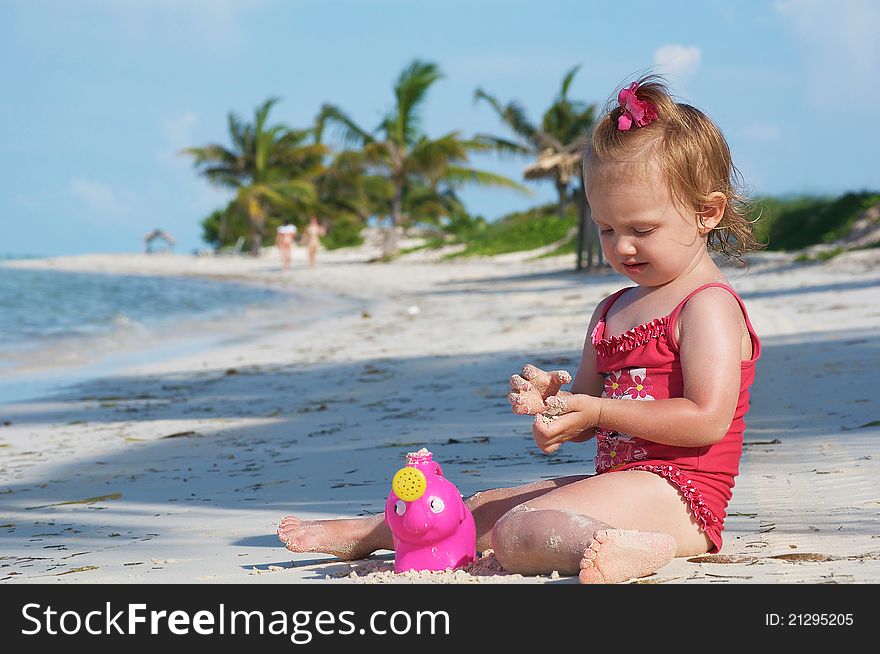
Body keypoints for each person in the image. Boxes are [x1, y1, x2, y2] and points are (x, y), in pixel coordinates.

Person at [277, 75, 763, 583]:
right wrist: (561, 409)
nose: (621, 247)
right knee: (481, 510)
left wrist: (596, 408)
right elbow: (591, 421)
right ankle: (377, 533)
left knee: (517, 531)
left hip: (682, 496)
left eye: (641, 230)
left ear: (707, 212)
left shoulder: (705, 306)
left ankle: (617, 549)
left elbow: (707, 420)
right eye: (606, 229)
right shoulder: (611, 311)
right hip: (625, 483)